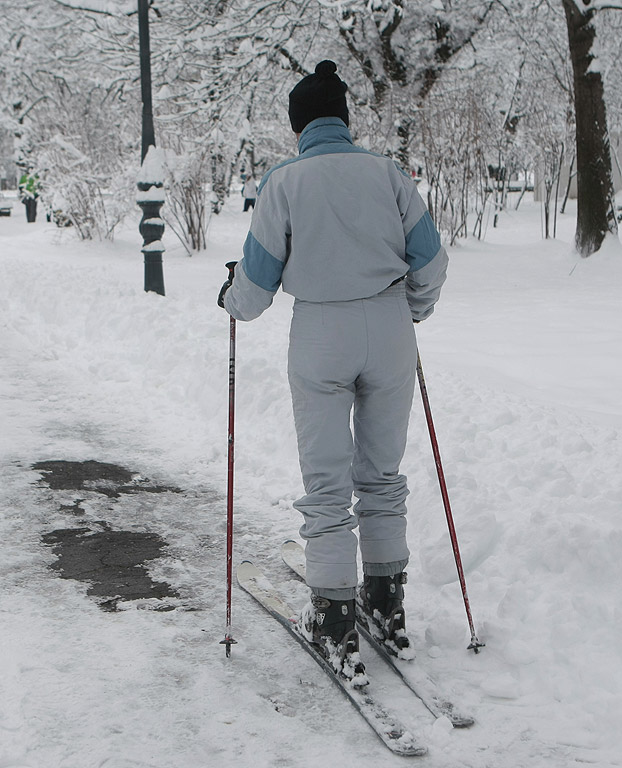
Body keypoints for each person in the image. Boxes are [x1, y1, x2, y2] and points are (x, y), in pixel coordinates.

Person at [218, 60, 448, 681]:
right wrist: (413, 310)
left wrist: (231, 298)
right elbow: (430, 259)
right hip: (390, 325)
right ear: (343, 120)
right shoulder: (389, 173)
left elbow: (258, 283)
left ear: (299, 125)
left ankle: (334, 617)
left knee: (327, 482)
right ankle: (386, 605)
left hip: (321, 331)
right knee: (381, 473)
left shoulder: (284, 182)